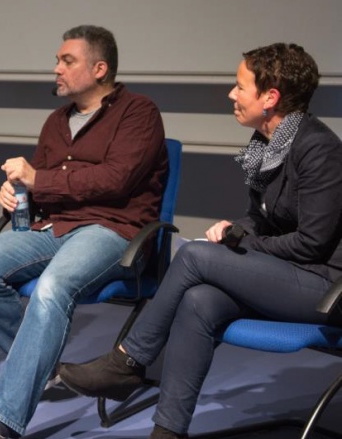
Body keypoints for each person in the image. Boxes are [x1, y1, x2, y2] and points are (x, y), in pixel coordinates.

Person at [58, 43, 342, 439]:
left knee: (193, 256)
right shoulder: (268, 144)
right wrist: (236, 229)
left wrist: (240, 244)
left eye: (240, 86)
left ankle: (128, 361)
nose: (231, 94)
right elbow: (263, 219)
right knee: (199, 301)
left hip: (324, 286)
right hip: (287, 273)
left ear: (270, 97)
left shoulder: (319, 149)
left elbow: (312, 243)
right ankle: (167, 432)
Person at [0, 25, 167, 439]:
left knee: (52, 287)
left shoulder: (139, 113)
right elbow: (43, 190)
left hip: (112, 231)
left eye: (66, 61)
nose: (56, 68)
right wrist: (17, 193)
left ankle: (2, 422)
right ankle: (44, 366)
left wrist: (37, 179)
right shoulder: (56, 121)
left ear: (99, 68)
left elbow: (116, 181)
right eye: (57, 60)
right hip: (54, 228)